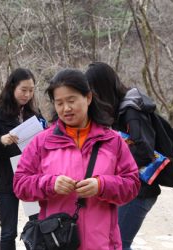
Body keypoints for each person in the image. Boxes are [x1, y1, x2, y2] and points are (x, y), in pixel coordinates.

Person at [13, 68, 141, 250]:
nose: (66, 108)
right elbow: (20, 184)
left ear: (88, 98)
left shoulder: (112, 141)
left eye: (71, 101)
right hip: (57, 242)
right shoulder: (42, 142)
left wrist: (102, 186)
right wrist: (50, 184)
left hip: (102, 243)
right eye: (59, 103)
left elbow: (132, 185)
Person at [85, 62, 159, 250]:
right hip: (129, 188)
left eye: (92, 89)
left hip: (140, 190)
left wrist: (110, 165)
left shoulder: (131, 111)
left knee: (119, 244)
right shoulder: (118, 110)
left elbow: (145, 151)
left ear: (102, 87)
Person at [0, 68, 47, 250]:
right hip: (7, 181)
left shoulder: (34, 113)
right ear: (12, 87)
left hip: (31, 179)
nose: (27, 94)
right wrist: (0, 139)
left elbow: (47, 136)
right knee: (8, 232)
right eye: (23, 89)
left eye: (31, 90)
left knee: (37, 226)